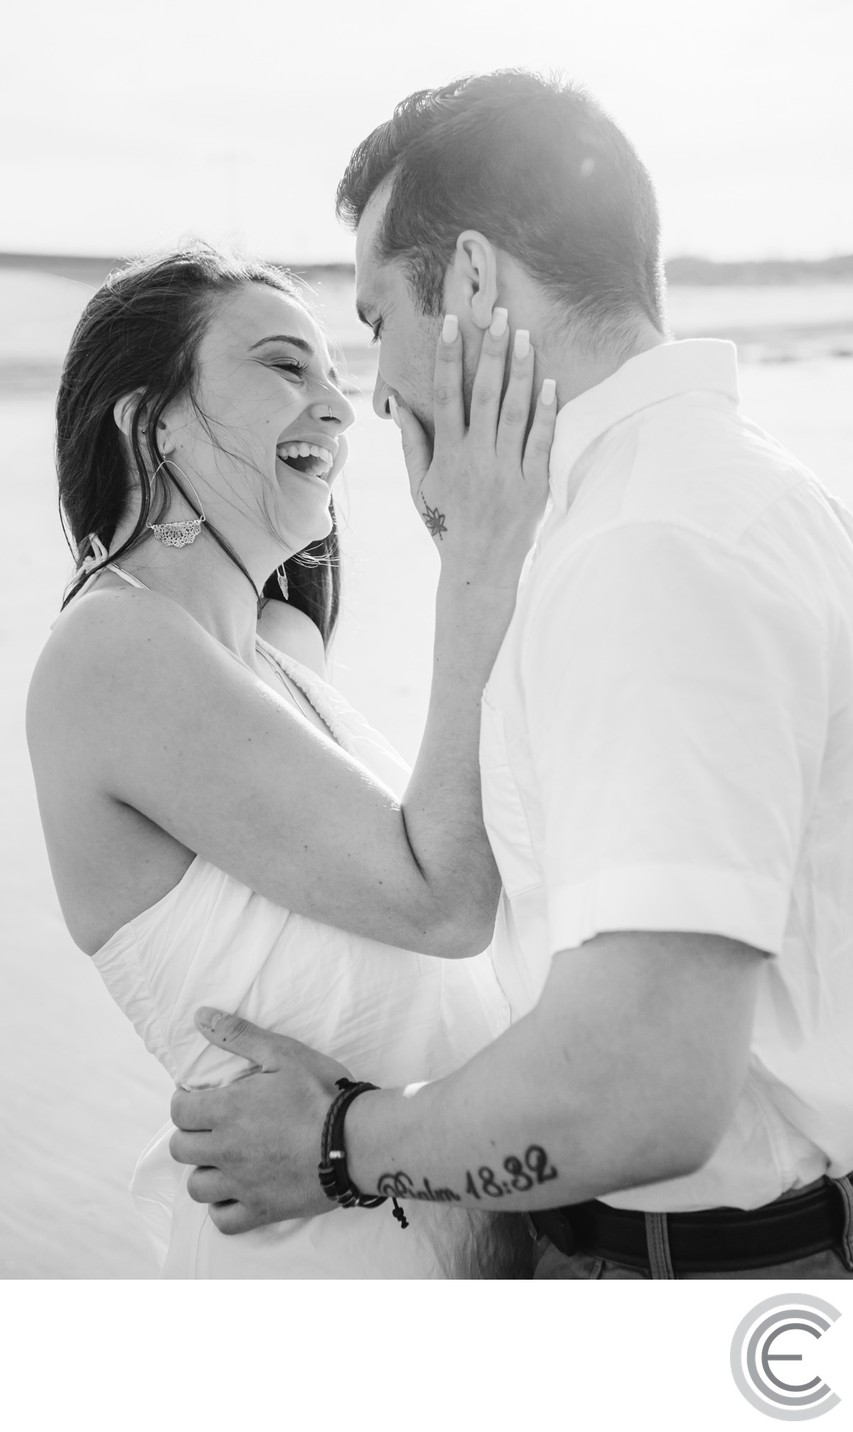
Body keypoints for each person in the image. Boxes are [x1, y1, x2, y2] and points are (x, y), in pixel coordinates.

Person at [170, 71, 853, 1280]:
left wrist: (337, 1145)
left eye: (379, 321)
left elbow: (641, 1083)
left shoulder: (645, 551)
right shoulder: (737, 493)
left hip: (701, 1285)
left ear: (475, 281)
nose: (371, 389)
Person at [26, 241, 558, 1278]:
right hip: (327, 1264)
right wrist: (477, 554)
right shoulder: (112, 652)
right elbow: (443, 901)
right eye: (284, 366)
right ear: (151, 422)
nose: (338, 404)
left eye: (332, 368)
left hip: (442, 1222)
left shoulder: (279, 648)